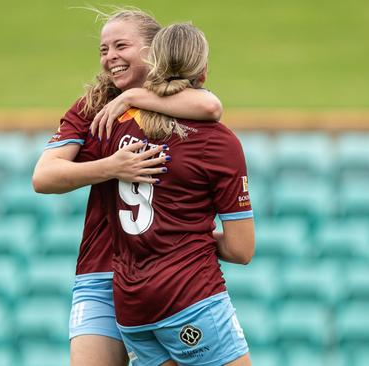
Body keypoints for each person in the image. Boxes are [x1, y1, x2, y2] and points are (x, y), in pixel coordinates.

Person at [32, 8, 223, 366]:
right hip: (99, 271)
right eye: (104, 50)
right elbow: (43, 177)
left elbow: (212, 105)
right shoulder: (92, 108)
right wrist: (110, 167)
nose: (110, 58)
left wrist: (132, 98)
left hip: (159, 277)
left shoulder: (177, 103)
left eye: (121, 46)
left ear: (154, 50)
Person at [99, 22, 255, 366]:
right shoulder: (217, 141)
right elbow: (242, 249)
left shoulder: (118, 125)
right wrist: (186, 238)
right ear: (203, 70)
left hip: (132, 306)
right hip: (189, 295)